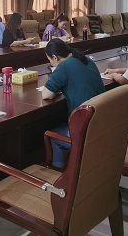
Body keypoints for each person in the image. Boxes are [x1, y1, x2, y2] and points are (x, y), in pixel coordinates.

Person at [41, 39, 104, 168]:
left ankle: (59, 174)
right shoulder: (86, 60)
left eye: (50, 60)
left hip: (86, 130)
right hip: (101, 124)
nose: (51, 63)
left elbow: (46, 95)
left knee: (53, 136)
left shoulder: (64, 66)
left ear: (55, 57)